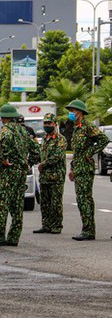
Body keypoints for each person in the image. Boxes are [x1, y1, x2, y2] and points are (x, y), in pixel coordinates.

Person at [0, 104, 39, 247]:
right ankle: (14, 237)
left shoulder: (6, 130)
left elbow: (4, 142)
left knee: (2, 204)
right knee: (17, 205)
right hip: (20, 172)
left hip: (8, 172)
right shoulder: (23, 131)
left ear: (4, 118)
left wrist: (5, 159)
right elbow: (36, 150)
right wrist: (28, 163)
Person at [66, 99, 109, 241]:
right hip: (78, 168)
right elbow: (77, 152)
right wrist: (72, 168)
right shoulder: (77, 128)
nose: (71, 113)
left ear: (79, 112)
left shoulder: (87, 126)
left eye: (72, 110)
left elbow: (103, 140)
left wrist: (90, 152)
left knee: (85, 199)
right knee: (82, 199)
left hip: (86, 169)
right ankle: (87, 229)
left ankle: (89, 231)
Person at [34, 113, 67, 234]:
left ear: (55, 124)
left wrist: (44, 164)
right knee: (45, 202)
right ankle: (46, 224)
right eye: (45, 123)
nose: (47, 125)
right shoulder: (44, 139)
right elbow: (40, 155)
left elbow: (57, 156)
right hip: (44, 177)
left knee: (56, 202)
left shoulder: (60, 139)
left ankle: (57, 225)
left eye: (49, 123)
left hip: (56, 176)